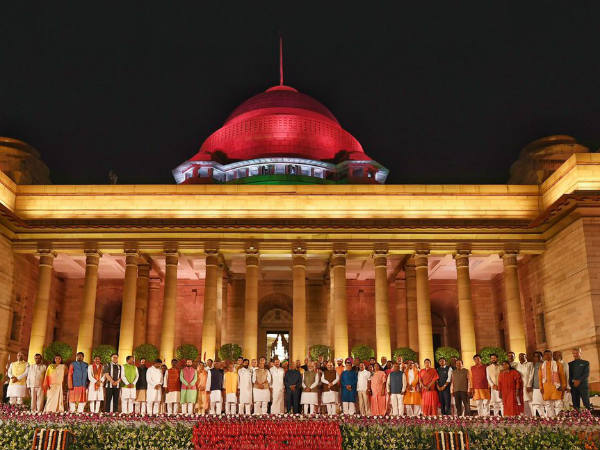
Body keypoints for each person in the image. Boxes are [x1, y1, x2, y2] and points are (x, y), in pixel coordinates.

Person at [539, 349, 566, 417]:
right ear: (543, 357)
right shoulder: (542, 366)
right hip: (546, 388)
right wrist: (541, 387)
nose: (547, 356)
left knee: (558, 404)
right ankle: (551, 420)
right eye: (546, 355)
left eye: (549, 354)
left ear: (551, 356)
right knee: (548, 405)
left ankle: (560, 419)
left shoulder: (558, 364)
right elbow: (540, 378)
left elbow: (562, 376)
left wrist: (563, 386)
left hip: (556, 387)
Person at [530, 351, 544, 417]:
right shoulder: (534, 365)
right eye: (535, 356)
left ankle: (546, 418)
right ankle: (543, 417)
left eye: (538, 356)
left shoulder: (544, 364)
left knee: (544, 404)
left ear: (541, 357)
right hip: (535, 388)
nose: (537, 358)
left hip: (542, 387)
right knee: (536, 404)